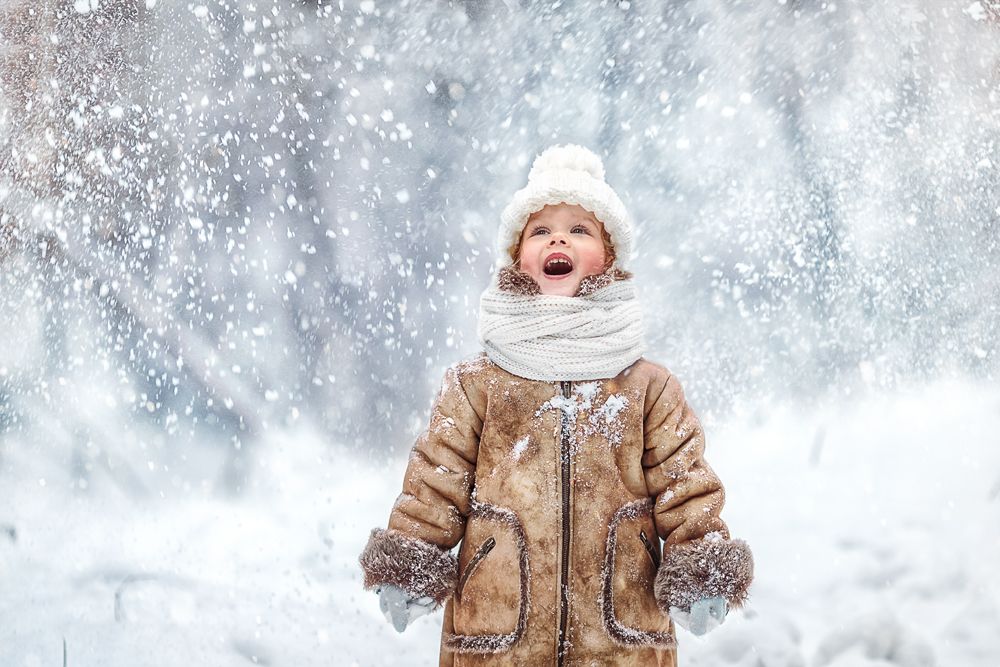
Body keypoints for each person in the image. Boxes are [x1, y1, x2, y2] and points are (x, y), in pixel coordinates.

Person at [359, 144, 754, 666]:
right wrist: (411, 561)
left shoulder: (646, 387)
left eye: (580, 230)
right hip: (498, 636)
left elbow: (684, 485)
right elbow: (436, 480)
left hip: (618, 638)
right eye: (540, 230)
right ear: (518, 257)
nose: (558, 238)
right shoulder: (477, 383)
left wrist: (700, 566)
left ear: (608, 259)